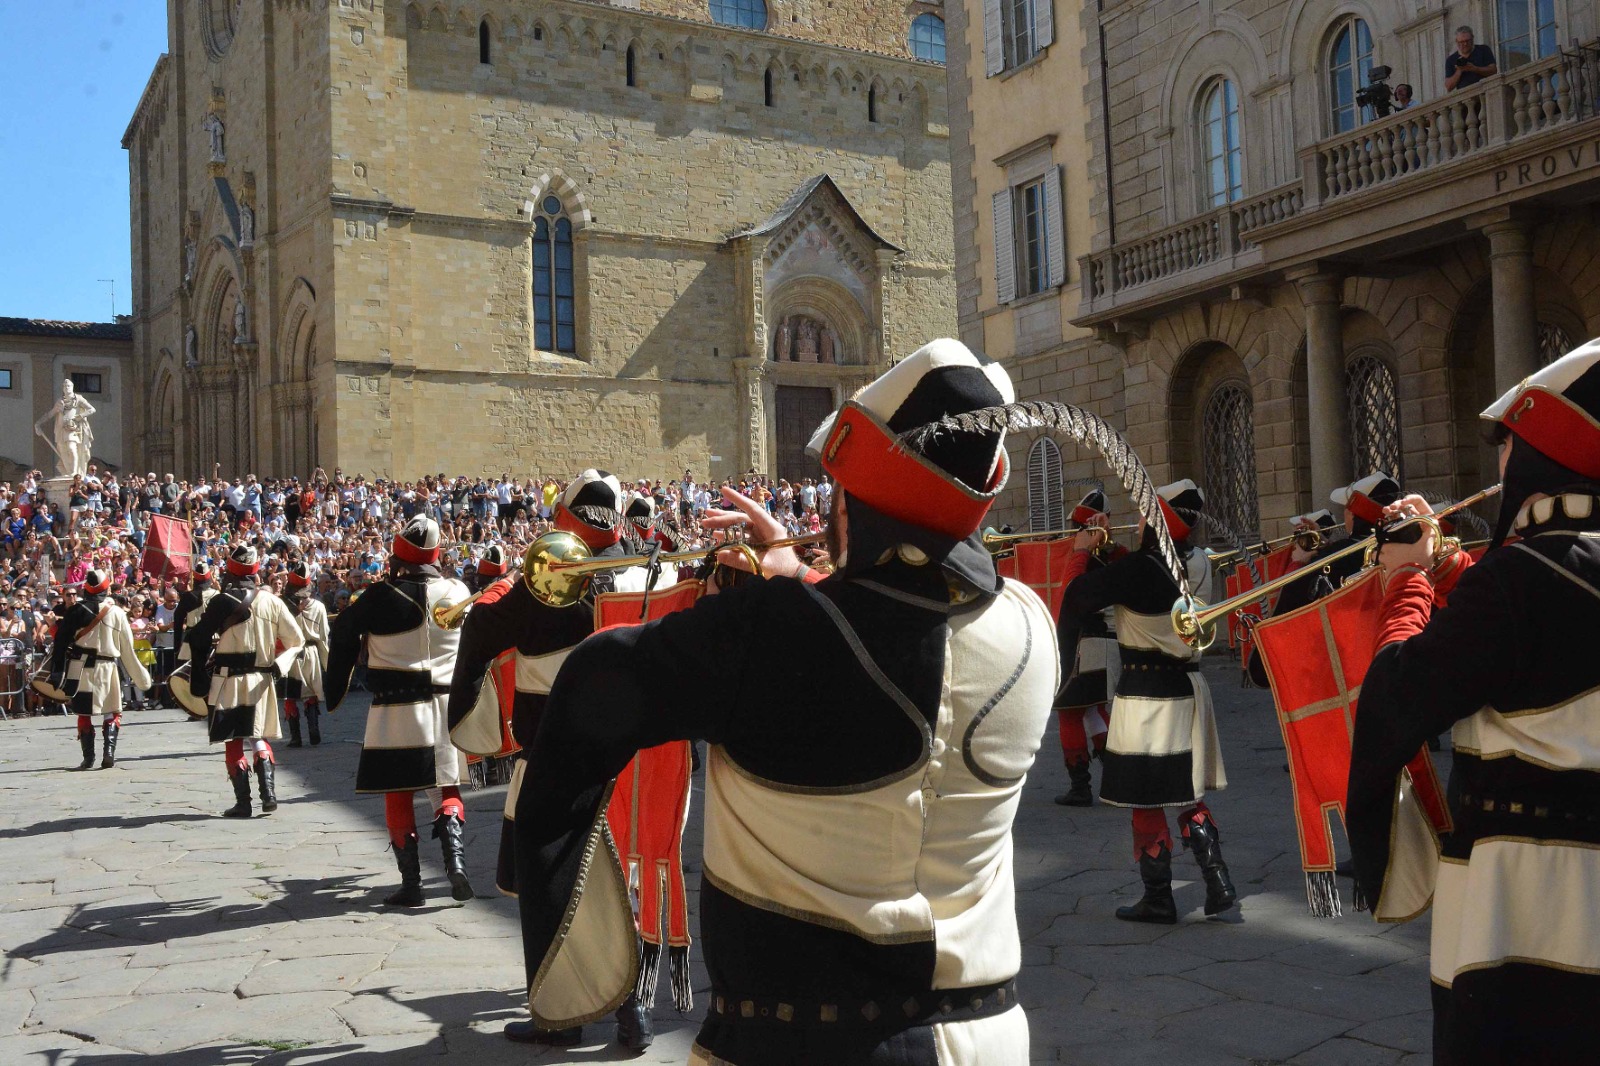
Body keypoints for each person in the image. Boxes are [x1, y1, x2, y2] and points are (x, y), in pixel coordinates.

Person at [509, 340, 1058, 1065]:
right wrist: (791, 581)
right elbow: (902, 643)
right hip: (988, 1038)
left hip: (795, 1043)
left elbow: (596, 678)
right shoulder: (1032, 622)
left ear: (855, 495)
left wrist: (770, 598)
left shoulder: (765, 635)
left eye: (837, 491)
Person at [1347, 339, 1600, 1064]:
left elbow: (1401, 693)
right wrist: (1454, 562)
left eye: (1508, 447)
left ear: (1539, 457)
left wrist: (1407, 583)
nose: (1498, 466)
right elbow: (1527, 645)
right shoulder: (1533, 573)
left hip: (1519, 899)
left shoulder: (1520, 579)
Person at [447, 470, 661, 1051]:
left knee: (554, 882)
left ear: (564, 518)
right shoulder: (647, 570)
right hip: (637, 756)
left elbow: (482, 633)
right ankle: (635, 1011)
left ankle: (559, 1017)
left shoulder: (543, 580)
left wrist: (495, 598)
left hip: (554, 753)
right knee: (631, 880)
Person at [1057, 480, 1236, 924]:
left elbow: (1076, 597)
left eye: (1142, 515)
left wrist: (1081, 550)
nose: (1135, 522)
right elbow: (1140, 580)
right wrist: (1116, 554)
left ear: (1155, 521)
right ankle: (1217, 881)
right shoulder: (1198, 565)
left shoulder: (1137, 570)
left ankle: (1158, 897)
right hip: (1190, 687)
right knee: (1186, 791)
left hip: (1146, 693)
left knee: (1146, 797)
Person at [325, 516, 474, 908]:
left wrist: (335, 686)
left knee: (398, 793)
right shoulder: (458, 589)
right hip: (445, 704)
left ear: (399, 554)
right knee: (447, 787)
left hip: (395, 709)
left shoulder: (377, 596)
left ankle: (412, 885)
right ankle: (455, 861)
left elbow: (342, 635)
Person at [185, 545, 304, 817]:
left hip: (228, 681)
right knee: (257, 736)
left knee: (233, 740)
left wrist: (199, 675)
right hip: (261, 680)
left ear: (230, 569)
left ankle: (243, 803)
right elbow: (296, 642)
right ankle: (269, 794)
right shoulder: (272, 601)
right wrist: (279, 665)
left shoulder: (219, 601)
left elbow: (199, 638)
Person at [1052, 489, 1126, 807]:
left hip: (1084, 640)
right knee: (1096, 710)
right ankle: (1118, 779)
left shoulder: (1085, 556)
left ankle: (1080, 786)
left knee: (1069, 713)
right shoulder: (1117, 555)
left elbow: (1070, 590)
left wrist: (1081, 550)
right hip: (1105, 640)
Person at [47, 568, 152, 770]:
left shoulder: (75, 611)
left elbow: (61, 642)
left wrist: (57, 671)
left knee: (84, 713)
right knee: (112, 711)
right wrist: (140, 677)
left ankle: (88, 758)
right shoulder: (117, 613)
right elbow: (127, 650)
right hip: (107, 668)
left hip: (81, 668)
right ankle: (109, 753)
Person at [279, 562, 329, 748]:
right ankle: (313, 730)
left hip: (290, 654)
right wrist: (326, 662)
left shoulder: (282, 606)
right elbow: (323, 636)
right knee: (310, 692)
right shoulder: (319, 607)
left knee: (291, 695)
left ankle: (295, 737)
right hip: (312, 652)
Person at [1444, 26, 1496, 91]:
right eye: (1462, 42)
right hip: (1466, 98)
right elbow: (1448, 87)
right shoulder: (1451, 60)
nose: (1465, 44)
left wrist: (1475, 69)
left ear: (1472, 38)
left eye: (1467, 41)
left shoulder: (1483, 50)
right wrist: (1459, 70)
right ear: (1457, 42)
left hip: (1485, 91)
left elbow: (1493, 70)